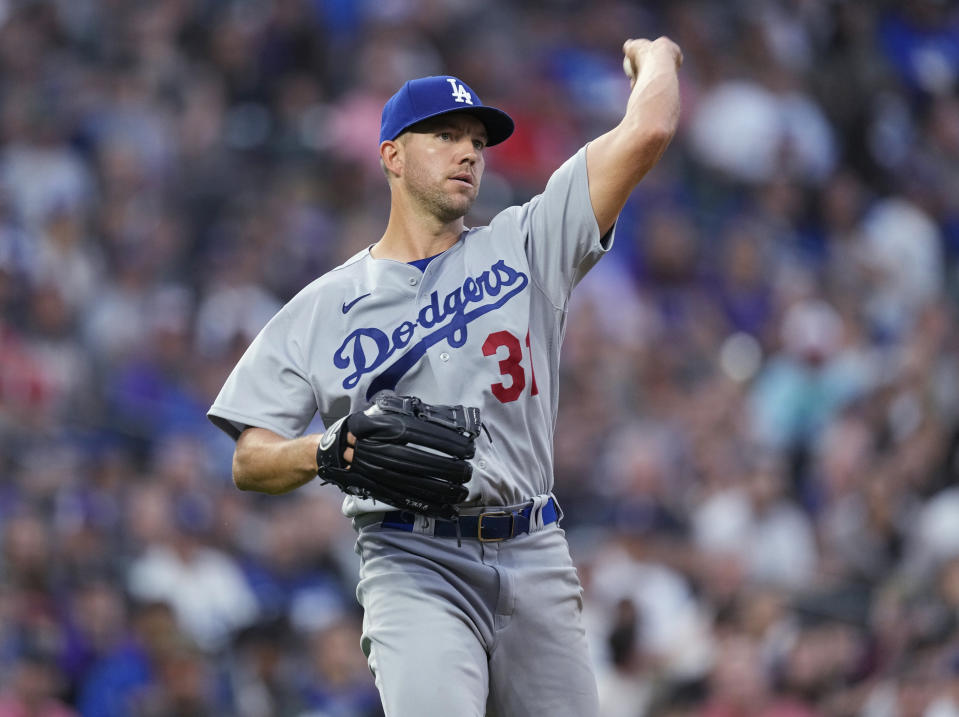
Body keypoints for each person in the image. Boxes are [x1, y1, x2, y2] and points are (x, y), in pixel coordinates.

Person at [208, 36, 682, 716]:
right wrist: (323, 449)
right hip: (411, 560)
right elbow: (249, 460)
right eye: (444, 135)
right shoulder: (321, 305)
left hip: (533, 550)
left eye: (476, 141)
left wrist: (657, 56)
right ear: (391, 156)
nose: (467, 151)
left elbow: (651, 128)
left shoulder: (528, 243)